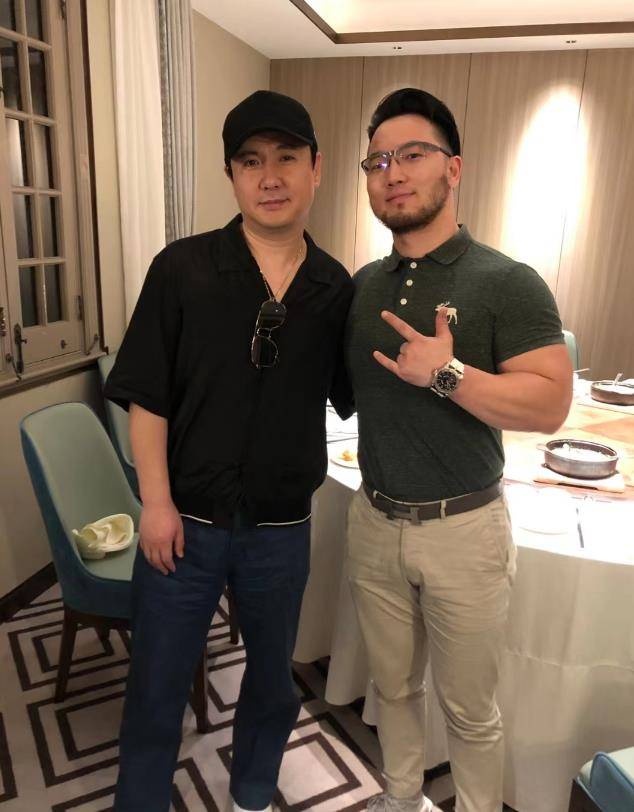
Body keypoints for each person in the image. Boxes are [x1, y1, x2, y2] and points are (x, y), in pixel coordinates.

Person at [105, 90, 354, 812]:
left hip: (281, 528)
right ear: (231, 175)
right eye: (250, 162)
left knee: (272, 681)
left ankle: (250, 794)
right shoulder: (182, 269)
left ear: (316, 169)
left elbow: (354, 392)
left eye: (286, 159)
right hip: (184, 523)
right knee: (156, 682)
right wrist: (155, 503)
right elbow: (148, 397)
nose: (269, 177)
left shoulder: (334, 288)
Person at [345, 88, 572, 812]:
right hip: (374, 520)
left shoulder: (507, 281)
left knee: (470, 712)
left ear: (454, 168)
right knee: (392, 690)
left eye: (413, 154)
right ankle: (400, 798)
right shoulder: (363, 287)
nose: (393, 172)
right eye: (378, 160)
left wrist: (447, 373)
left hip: (464, 531)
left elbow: (550, 403)